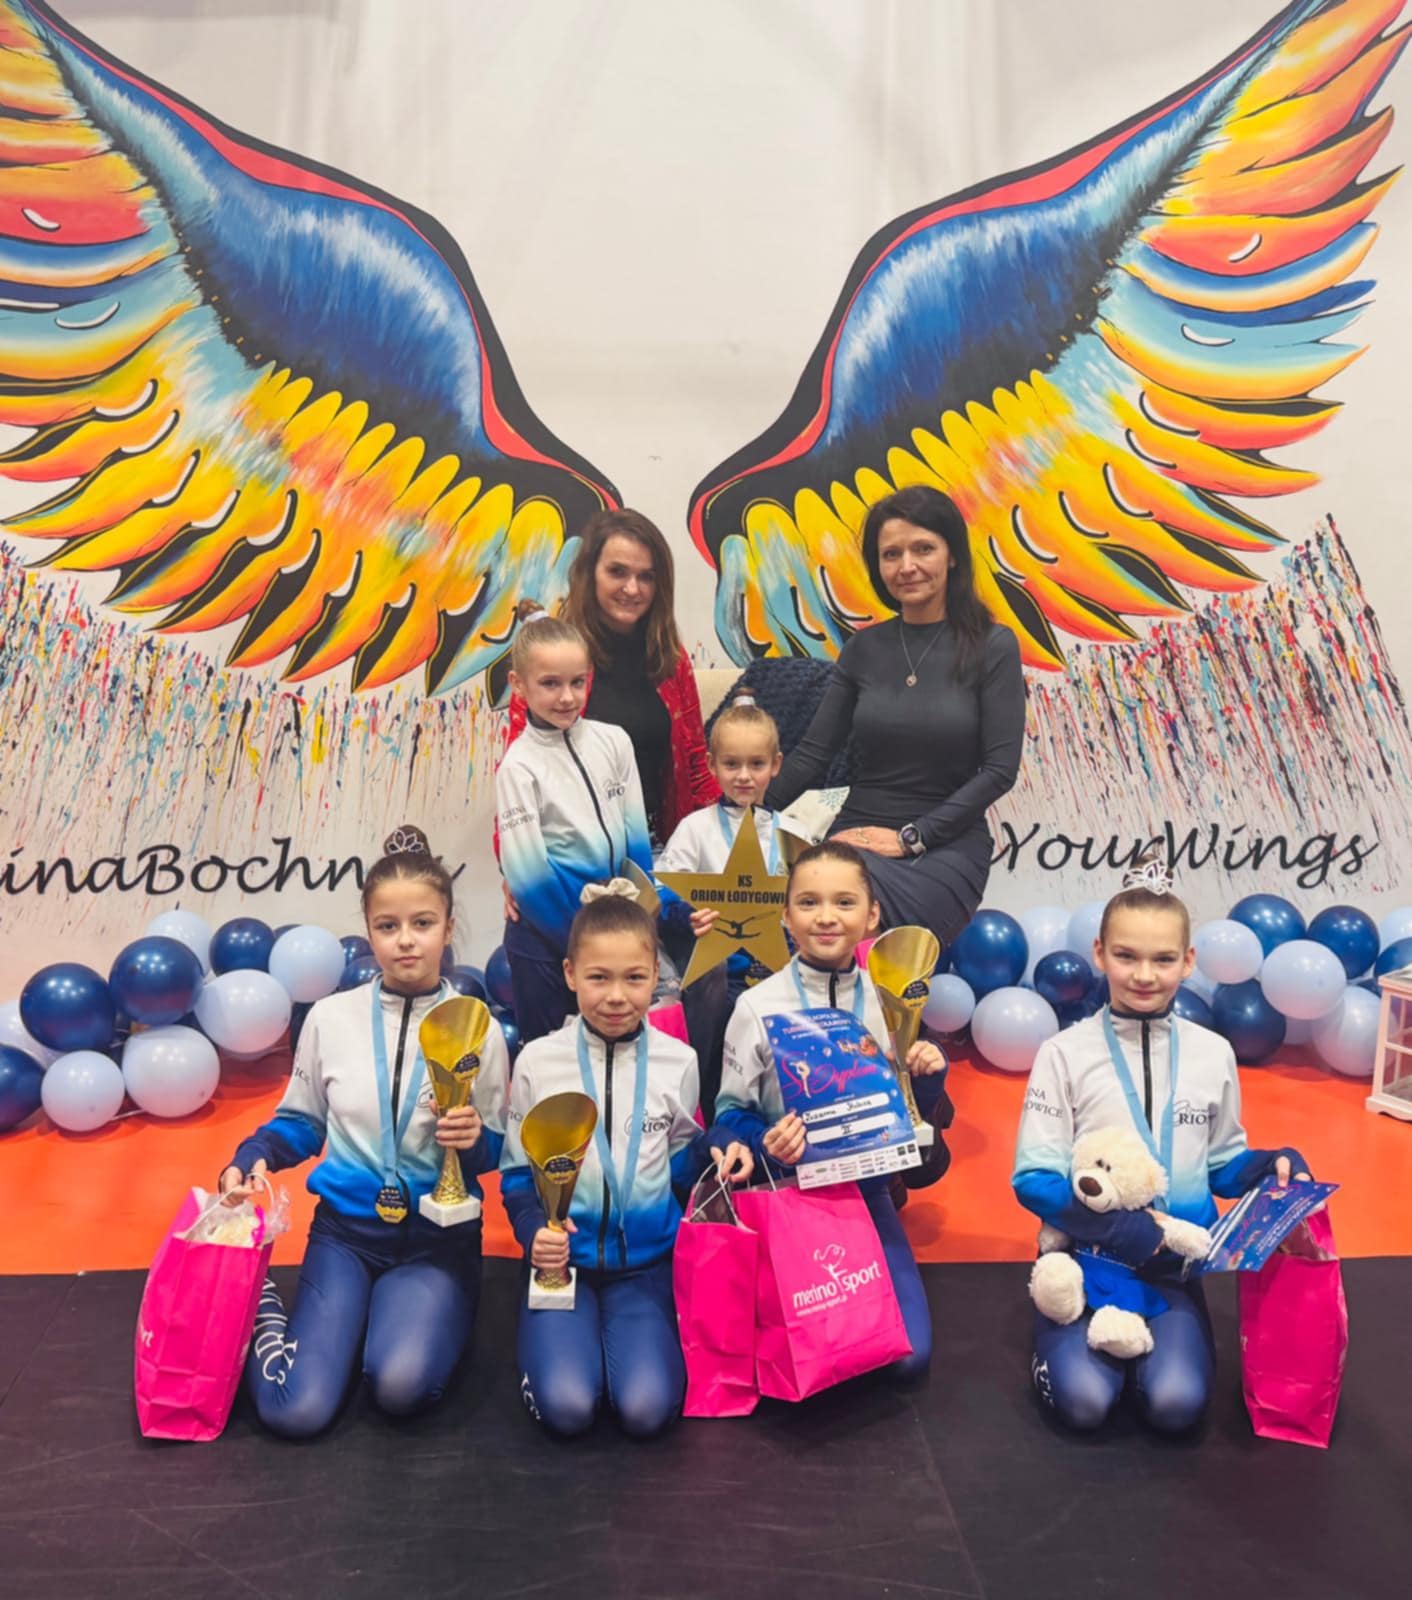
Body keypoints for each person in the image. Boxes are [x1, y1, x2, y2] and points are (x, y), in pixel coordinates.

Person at [217, 826, 510, 1438]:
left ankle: (404, 1317)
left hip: (436, 1244)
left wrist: (474, 1139)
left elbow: (499, 1151)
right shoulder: (330, 1018)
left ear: (449, 927)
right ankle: (261, 1302)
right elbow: (301, 1121)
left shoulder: (478, 1027)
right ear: (369, 931)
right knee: (296, 1411)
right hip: (346, 1237)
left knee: (402, 1388)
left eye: (422, 923)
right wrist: (254, 1155)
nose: (405, 940)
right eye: (387, 925)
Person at [1012, 858, 1314, 1434]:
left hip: (1174, 1269)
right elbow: (1034, 1179)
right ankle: (1058, 1327)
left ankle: (1157, 1345)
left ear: (1188, 960)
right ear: (1099, 953)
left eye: (1163, 959)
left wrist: (1268, 1165)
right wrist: (1119, 1230)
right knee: (1084, 1405)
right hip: (1087, 1260)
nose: (1144, 975)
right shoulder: (1063, 1053)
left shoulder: (1212, 1052)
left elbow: (1221, 1164)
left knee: (1177, 1406)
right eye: (1126, 956)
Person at [500, 892, 751, 1438]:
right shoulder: (539, 1062)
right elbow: (518, 1175)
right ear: (570, 974)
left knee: (647, 1410)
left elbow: (680, 1163)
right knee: (567, 1409)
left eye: (634, 978)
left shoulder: (678, 1060)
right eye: (598, 978)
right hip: (562, 1266)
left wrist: (717, 1146)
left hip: (646, 1266)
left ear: (656, 975)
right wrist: (532, 1231)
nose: (616, 996)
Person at [711, 840, 950, 1383]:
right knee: (803, 1354)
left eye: (844, 902)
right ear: (786, 915)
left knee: (909, 1359)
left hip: (870, 1195)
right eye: (808, 902)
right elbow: (728, 1115)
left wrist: (928, 1079)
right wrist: (767, 1141)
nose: (826, 917)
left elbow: (913, 1117)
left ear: (872, 915)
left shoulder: (892, 999)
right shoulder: (756, 1006)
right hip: (792, 1197)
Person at [764, 485, 1025, 950]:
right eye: (891, 554)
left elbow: (999, 770)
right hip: (857, 833)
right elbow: (812, 756)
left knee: (838, 910)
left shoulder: (993, 646)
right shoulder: (863, 648)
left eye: (923, 548)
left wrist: (911, 837)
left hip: (945, 847)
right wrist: (738, 815)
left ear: (952, 555)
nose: (907, 566)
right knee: (810, 901)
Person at [505, 508, 718, 845]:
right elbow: (519, 774)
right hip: (571, 852)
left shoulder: (670, 657)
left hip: (659, 845)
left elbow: (695, 762)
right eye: (617, 572)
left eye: (646, 576)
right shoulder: (552, 656)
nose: (632, 589)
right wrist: (518, 862)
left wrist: (722, 838)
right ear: (589, 573)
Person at [496, 614, 655, 1042]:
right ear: (518, 684)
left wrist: (638, 921)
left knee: (617, 1049)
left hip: (613, 936)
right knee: (551, 1057)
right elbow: (529, 880)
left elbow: (636, 841)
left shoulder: (614, 741)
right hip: (545, 943)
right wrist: (585, 945)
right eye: (550, 684)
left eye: (577, 682)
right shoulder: (518, 767)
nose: (567, 697)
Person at [655, 701, 784, 1120]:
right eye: (731, 764)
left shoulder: (791, 832)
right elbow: (663, 892)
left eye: (756, 764)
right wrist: (687, 914)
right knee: (709, 975)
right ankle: (703, 1103)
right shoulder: (696, 828)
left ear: (776, 765)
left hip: (776, 971)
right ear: (712, 765)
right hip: (717, 974)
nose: (744, 776)